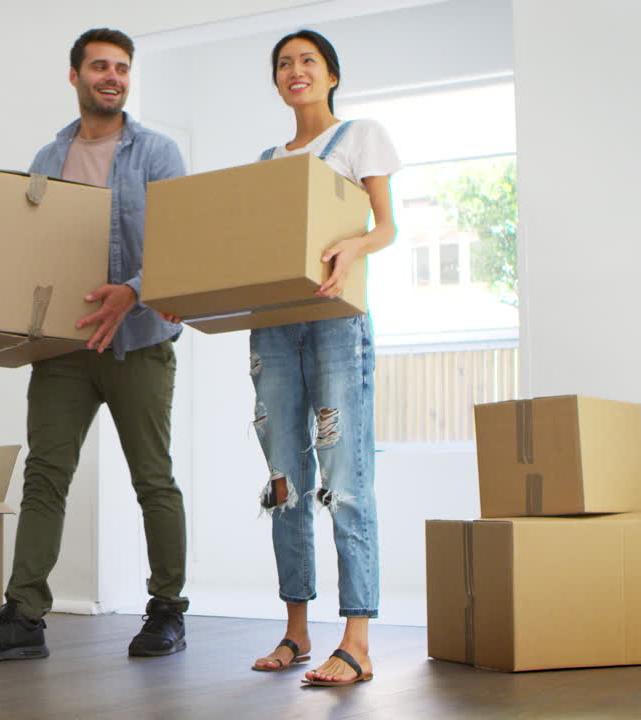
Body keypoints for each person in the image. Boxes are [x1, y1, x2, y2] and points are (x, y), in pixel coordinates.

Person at [0, 28, 190, 661]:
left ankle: (166, 611)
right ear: (75, 75)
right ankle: (24, 616)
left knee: (153, 480)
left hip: (139, 341)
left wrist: (131, 292)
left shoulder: (157, 153)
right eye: (100, 66)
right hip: (63, 348)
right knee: (45, 478)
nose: (113, 76)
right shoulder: (48, 158)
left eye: (123, 68)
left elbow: (180, 241)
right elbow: (13, 239)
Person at [242, 29, 399, 686]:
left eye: (307, 61)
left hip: (336, 324)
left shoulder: (360, 136)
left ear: (331, 75)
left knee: (345, 478)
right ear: (277, 82)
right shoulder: (267, 158)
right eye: (284, 64)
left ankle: (357, 639)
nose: (295, 71)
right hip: (275, 327)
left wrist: (352, 249)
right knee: (285, 484)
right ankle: (296, 632)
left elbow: (385, 226)